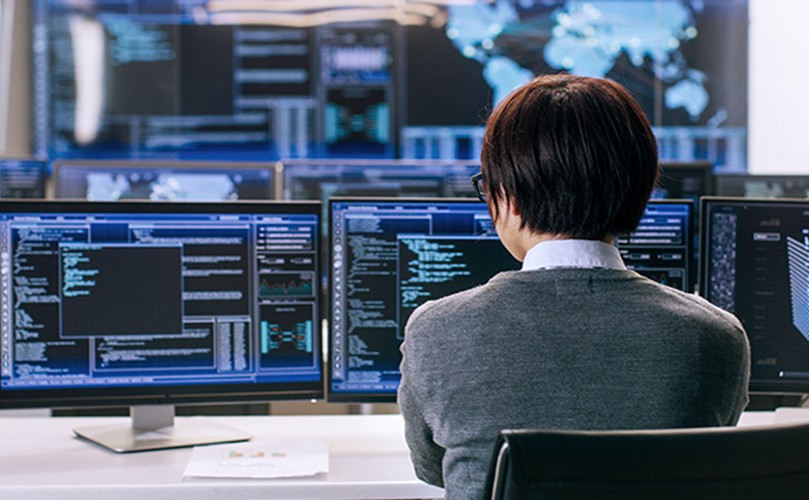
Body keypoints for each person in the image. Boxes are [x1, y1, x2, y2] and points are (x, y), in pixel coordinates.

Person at [397, 74, 750, 500]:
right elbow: (702, 465)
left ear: (505, 196)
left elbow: (435, 470)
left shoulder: (436, 331)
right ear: (639, 190)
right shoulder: (715, 337)